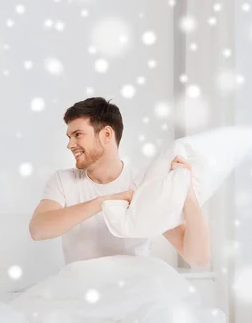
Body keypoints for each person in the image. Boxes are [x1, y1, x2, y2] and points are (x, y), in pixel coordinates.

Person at [29, 97, 211, 267]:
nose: (70, 144)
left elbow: (198, 258)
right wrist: (103, 202)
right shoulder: (63, 181)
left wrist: (188, 194)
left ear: (106, 134)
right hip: (82, 290)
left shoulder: (144, 182)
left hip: (132, 290)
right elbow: (38, 230)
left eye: (77, 134)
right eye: (69, 137)